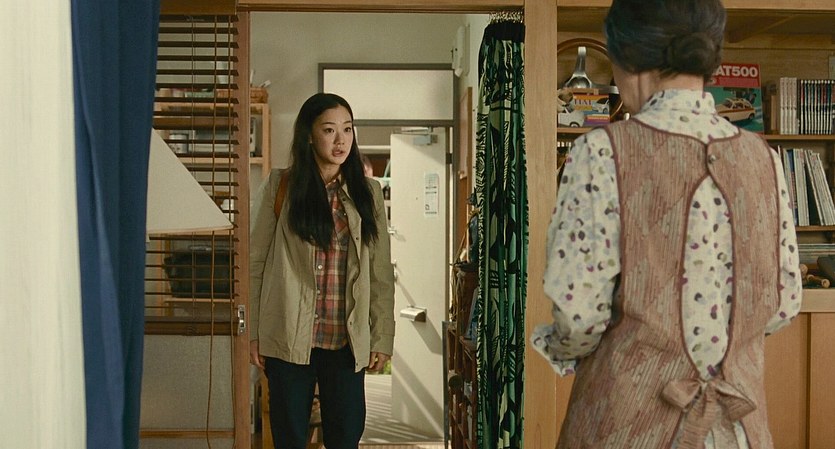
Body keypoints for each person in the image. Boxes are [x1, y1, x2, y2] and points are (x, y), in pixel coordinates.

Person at [531, 0, 802, 448]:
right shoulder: (765, 159)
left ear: (627, 57)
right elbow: (784, 303)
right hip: (736, 430)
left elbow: (579, 317)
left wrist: (556, 346)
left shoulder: (602, 152)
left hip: (628, 425)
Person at [249, 92, 395, 449]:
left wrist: (382, 336)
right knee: (289, 439)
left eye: (347, 129)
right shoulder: (281, 186)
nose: (340, 140)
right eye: (329, 130)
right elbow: (255, 264)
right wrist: (253, 333)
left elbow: (380, 272)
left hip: (346, 341)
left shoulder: (369, 193)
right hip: (288, 336)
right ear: (309, 136)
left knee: (345, 438)